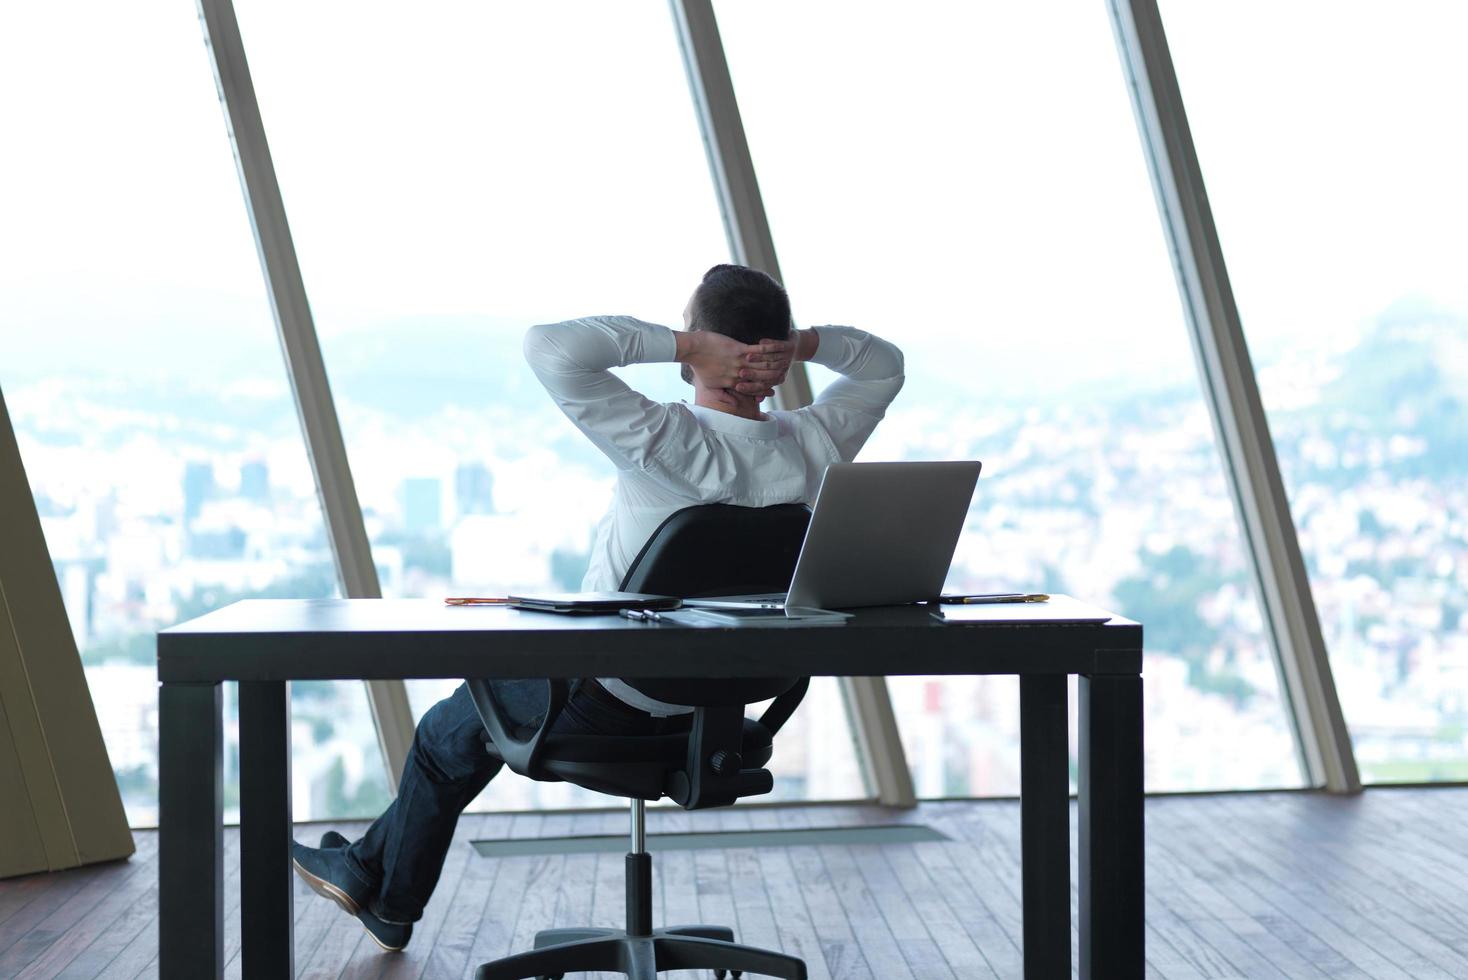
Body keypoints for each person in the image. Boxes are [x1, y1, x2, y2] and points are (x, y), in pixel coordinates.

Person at [289, 264, 904, 950]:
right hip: (724, 710)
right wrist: (803, 343)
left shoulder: (667, 442)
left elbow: (550, 347)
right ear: (773, 355)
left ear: (707, 346)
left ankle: (386, 894)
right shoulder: (814, 448)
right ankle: (371, 877)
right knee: (470, 728)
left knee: (443, 736)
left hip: (611, 695)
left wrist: (680, 345)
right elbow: (885, 366)